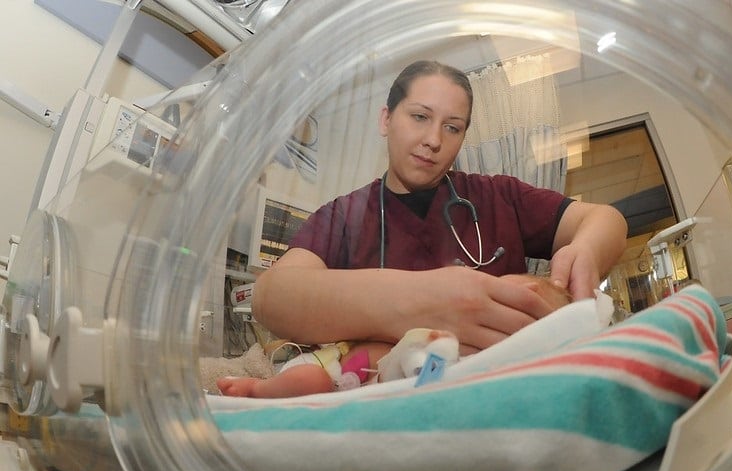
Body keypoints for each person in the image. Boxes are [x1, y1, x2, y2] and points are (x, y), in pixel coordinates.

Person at [252, 60, 628, 356]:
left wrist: (586, 251)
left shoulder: (498, 197)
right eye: (419, 117)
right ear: (386, 119)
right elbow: (272, 297)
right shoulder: (342, 218)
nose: (433, 140)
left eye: (452, 127)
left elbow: (604, 219)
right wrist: (423, 300)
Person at [218, 275, 573, 398]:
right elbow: (269, 295)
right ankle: (256, 390)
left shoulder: (475, 362)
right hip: (327, 365)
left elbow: (430, 383)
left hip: (349, 387)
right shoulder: (444, 327)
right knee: (309, 380)